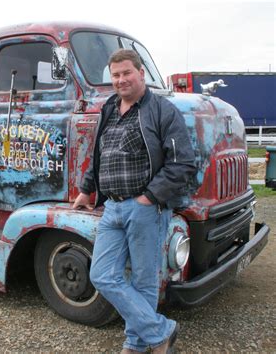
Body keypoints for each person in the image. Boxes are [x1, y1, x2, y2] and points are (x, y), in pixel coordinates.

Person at [73, 49, 196, 353]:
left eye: (127, 73)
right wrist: (86, 190)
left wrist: (148, 197)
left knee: (144, 280)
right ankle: (161, 331)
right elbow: (99, 156)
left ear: (141, 74)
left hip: (145, 208)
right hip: (112, 206)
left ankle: (135, 344)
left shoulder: (162, 110)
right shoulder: (109, 109)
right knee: (101, 274)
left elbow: (182, 162)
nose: (121, 80)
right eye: (115, 75)